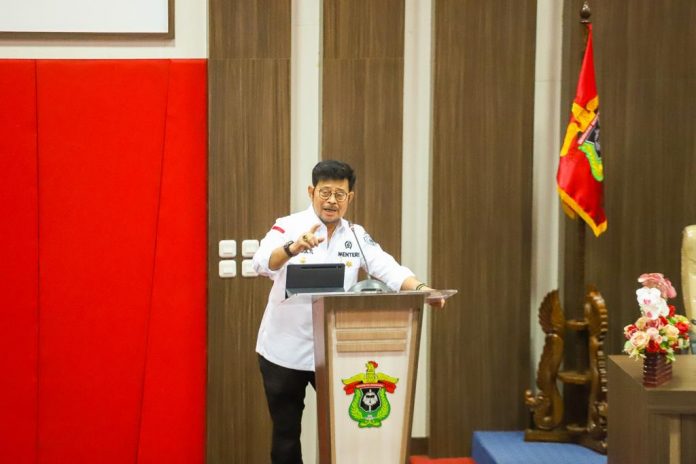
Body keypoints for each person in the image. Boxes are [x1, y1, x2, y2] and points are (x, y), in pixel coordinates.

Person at [252, 160, 443, 464]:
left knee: (348, 429)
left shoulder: (355, 235)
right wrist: (292, 248)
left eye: (340, 195)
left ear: (350, 198)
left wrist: (421, 288)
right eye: (325, 192)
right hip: (283, 350)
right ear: (311, 192)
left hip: (334, 352)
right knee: (286, 435)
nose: (331, 201)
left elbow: (387, 267)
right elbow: (261, 263)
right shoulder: (287, 225)